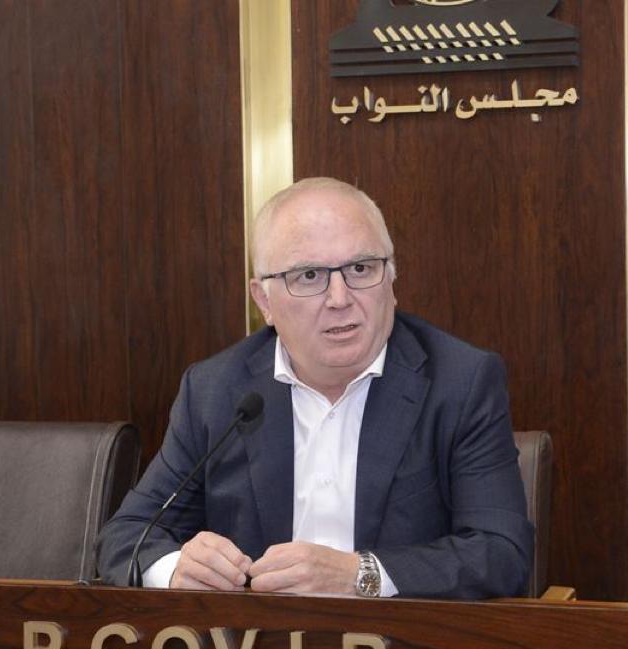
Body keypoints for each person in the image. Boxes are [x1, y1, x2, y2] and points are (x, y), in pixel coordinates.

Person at [97, 177, 532, 598]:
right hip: (258, 643)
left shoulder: (460, 382)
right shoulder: (216, 391)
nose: (340, 298)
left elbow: (501, 552)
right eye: (308, 276)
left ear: (391, 280)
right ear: (264, 301)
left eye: (360, 268)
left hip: (400, 642)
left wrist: (360, 575)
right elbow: (126, 536)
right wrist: (176, 569)